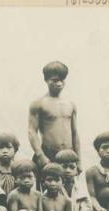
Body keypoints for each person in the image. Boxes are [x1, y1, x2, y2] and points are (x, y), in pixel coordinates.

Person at [28, 61, 81, 189]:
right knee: (47, 194)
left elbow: (74, 133)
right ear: (46, 80)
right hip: (48, 154)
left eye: (62, 80)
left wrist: (78, 159)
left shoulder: (70, 104)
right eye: (55, 80)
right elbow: (32, 132)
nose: (59, 83)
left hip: (68, 156)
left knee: (68, 193)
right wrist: (41, 156)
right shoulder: (39, 103)